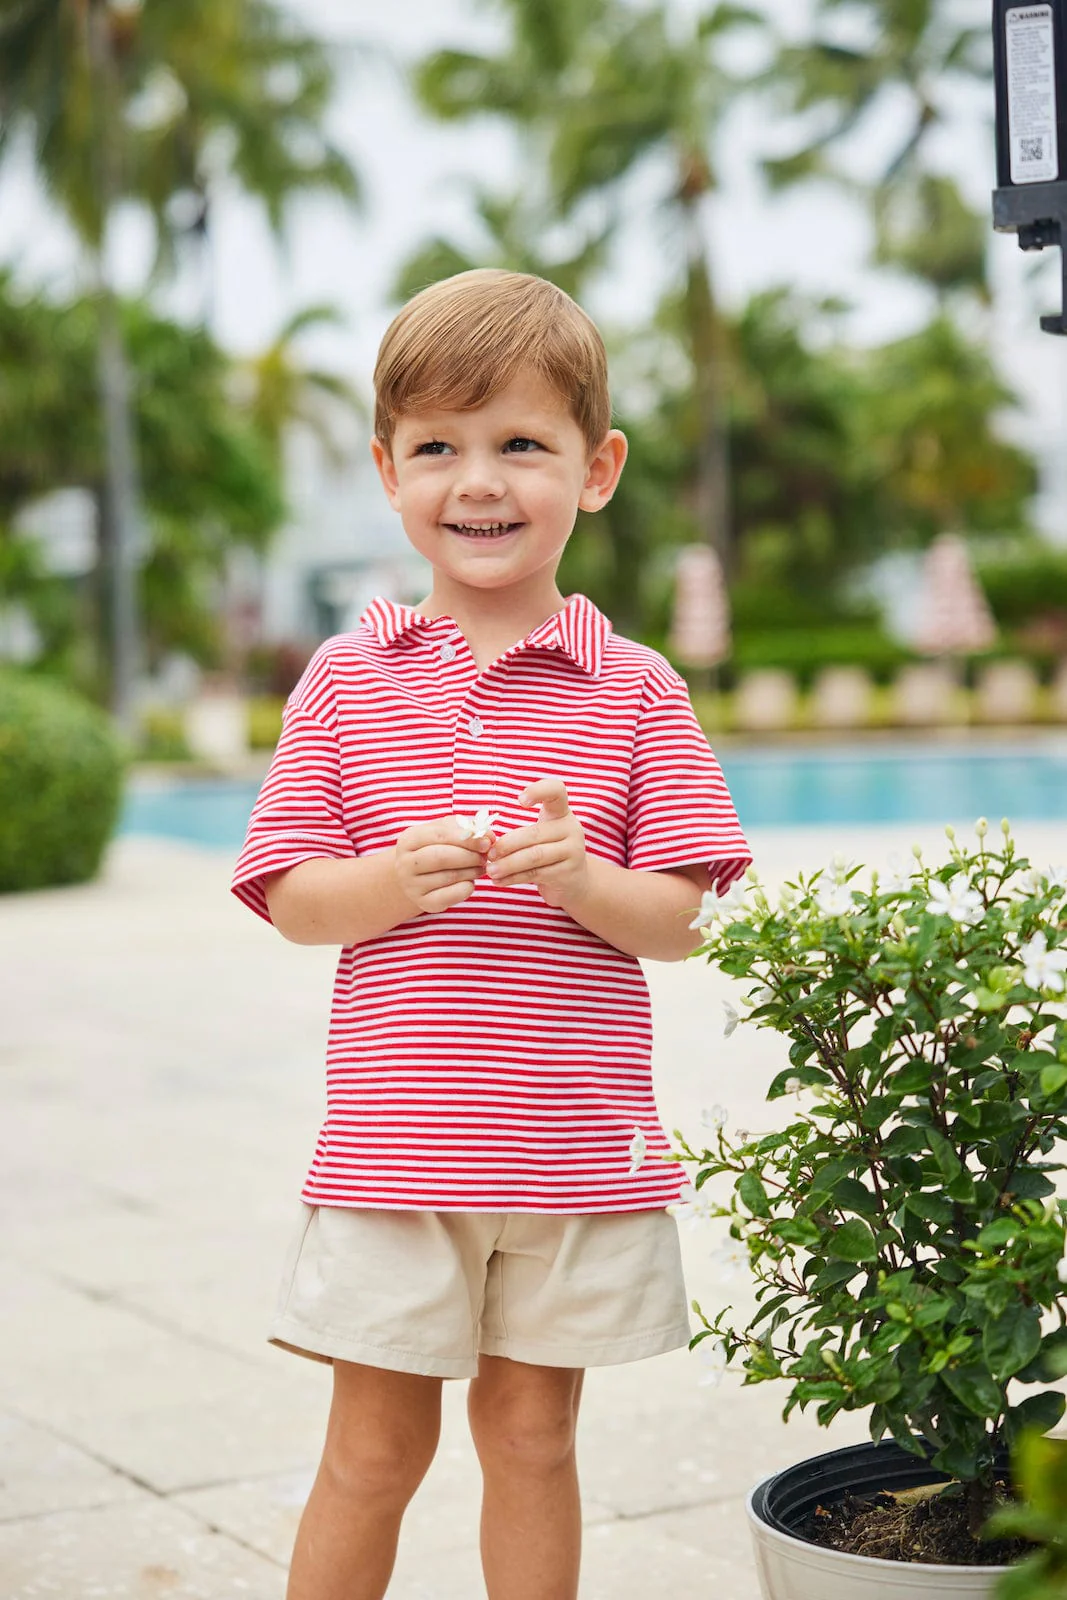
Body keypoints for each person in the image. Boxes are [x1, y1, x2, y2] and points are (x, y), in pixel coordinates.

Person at [231, 268, 751, 1600]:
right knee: (369, 1452)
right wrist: (390, 882)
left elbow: (688, 918)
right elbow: (292, 898)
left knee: (532, 1438)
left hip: (572, 1149)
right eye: (438, 448)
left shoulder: (635, 687)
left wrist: (582, 878)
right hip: (400, 1152)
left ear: (596, 468)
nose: (479, 480)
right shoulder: (346, 680)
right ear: (387, 472)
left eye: (522, 443)